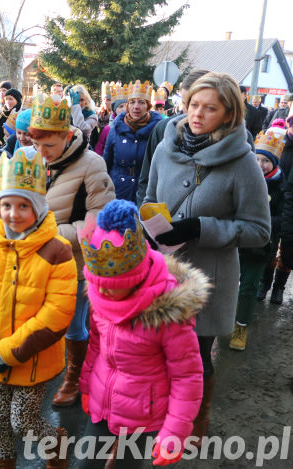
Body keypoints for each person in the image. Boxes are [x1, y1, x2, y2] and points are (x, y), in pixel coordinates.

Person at [144, 72, 270, 444]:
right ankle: (161, 410)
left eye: (210, 108)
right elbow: (149, 196)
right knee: (157, 350)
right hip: (162, 272)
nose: (197, 114)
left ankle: (198, 418)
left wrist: (201, 227)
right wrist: (146, 224)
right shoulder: (167, 147)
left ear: (229, 114)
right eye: (193, 104)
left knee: (195, 357)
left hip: (207, 277)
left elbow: (259, 231)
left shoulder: (243, 163)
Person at [0, 147, 77, 469]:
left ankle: (55, 444)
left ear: (38, 208)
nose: (13, 214)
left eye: (23, 206)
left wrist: (9, 351)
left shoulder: (58, 251)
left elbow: (57, 312)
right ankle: (4, 462)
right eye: (6, 205)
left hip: (31, 356)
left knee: (22, 421)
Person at [77, 200, 208, 468]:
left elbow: (187, 377)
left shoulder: (168, 314)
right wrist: (87, 386)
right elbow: (95, 347)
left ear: (135, 278)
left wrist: (174, 432)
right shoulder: (101, 299)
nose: (101, 294)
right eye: (97, 285)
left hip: (144, 415)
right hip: (103, 403)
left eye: (111, 287)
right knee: (87, 462)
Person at [26, 94, 116, 408]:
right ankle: (26, 380)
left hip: (72, 263)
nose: (42, 154)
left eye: (49, 146)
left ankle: (74, 376)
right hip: (33, 261)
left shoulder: (93, 165)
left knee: (74, 324)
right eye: (36, 145)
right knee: (31, 320)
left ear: (67, 136)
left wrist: (45, 235)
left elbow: (97, 225)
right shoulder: (34, 157)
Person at [231, 130, 286, 350]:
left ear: (274, 163)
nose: (260, 164)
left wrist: (262, 220)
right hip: (235, 241)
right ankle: (226, 318)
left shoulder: (281, 186)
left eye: (266, 160)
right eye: (257, 159)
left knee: (248, 288)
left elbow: (284, 216)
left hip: (261, 247)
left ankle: (241, 326)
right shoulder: (241, 178)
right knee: (227, 285)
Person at [136, 69, 211, 206]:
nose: (190, 112)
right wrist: (147, 219)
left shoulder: (236, 139)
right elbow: (146, 182)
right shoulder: (164, 129)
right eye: (185, 103)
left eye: (196, 104)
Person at [104, 80, 162, 202]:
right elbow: (106, 162)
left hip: (145, 192)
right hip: (118, 191)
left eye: (141, 102)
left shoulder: (157, 130)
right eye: (132, 102)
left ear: (148, 106)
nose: (136, 106)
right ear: (127, 106)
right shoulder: (115, 128)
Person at [264, 115, 293, 303]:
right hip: (275, 203)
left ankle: (279, 287)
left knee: (289, 251)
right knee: (269, 247)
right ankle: (263, 285)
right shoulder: (279, 143)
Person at [94, 82, 128, 157]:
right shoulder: (106, 126)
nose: (106, 102)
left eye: (108, 99)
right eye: (104, 99)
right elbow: (100, 146)